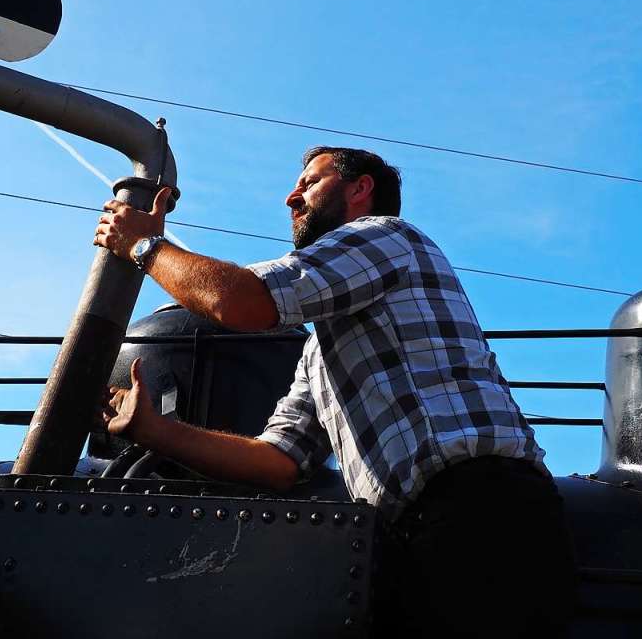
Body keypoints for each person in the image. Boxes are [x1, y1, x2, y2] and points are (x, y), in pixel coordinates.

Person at [94, 146, 576, 637]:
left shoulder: (384, 237)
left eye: (309, 182)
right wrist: (155, 430)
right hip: (412, 531)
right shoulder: (319, 350)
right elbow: (277, 460)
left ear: (359, 188)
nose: (291, 196)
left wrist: (144, 246)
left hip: (482, 511)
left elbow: (242, 300)